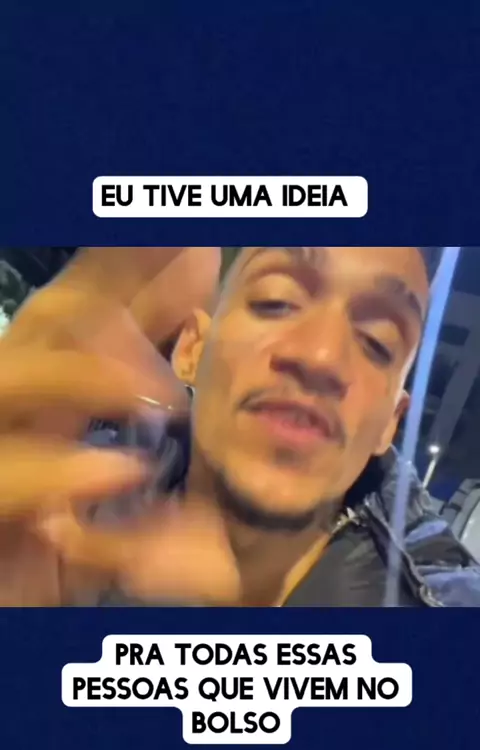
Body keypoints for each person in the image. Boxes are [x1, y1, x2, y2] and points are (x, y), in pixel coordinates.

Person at [0, 246, 479, 606]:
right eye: (275, 302)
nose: (321, 356)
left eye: (377, 343)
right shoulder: (56, 514)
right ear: (191, 350)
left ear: (390, 425)